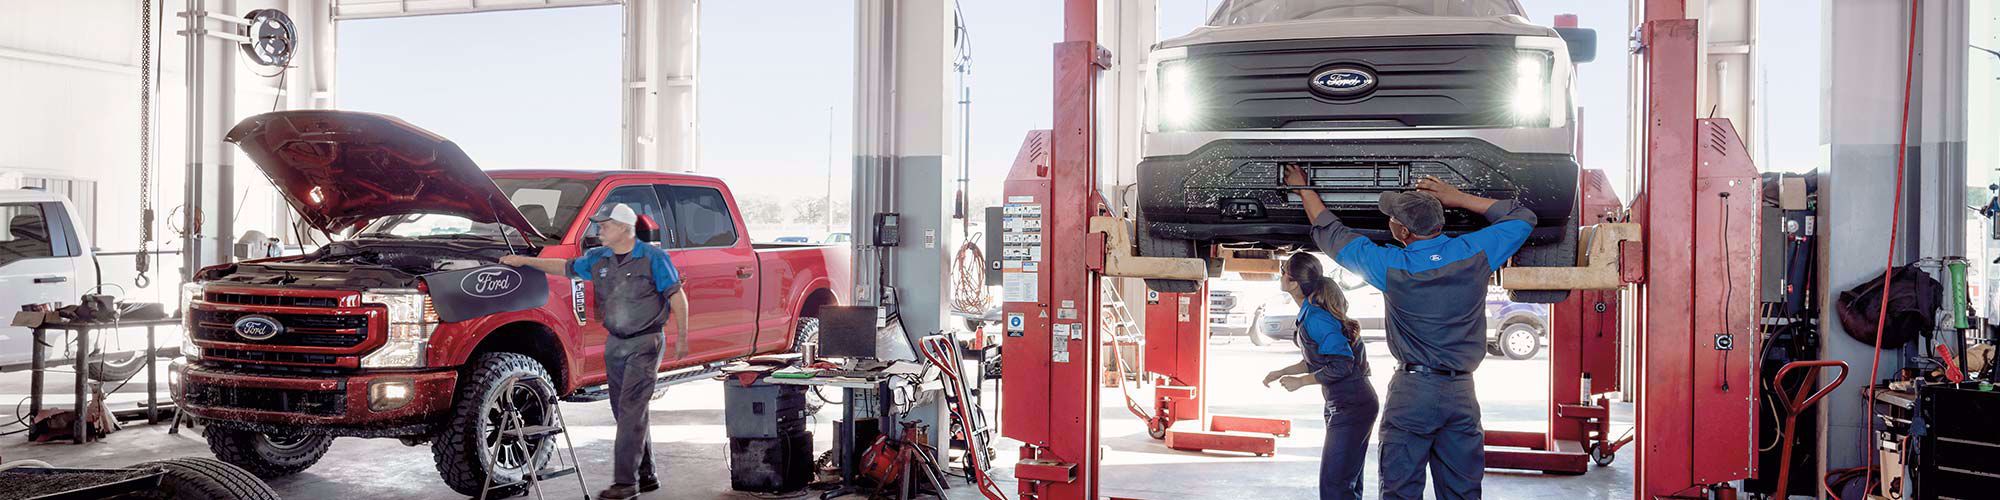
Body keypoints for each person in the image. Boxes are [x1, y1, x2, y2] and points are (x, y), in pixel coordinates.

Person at [1282, 164, 1536, 500]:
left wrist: (1302, 188)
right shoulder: (1475, 252)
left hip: (1413, 391)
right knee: (1462, 492)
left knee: (1400, 490)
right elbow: (1523, 217)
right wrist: (1457, 198)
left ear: (1402, 232)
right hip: (1461, 391)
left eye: (1392, 218)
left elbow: (1330, 231)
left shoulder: (1390, 266)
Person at [500, 203, 690, 500]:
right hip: (615, 342)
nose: (599, 230)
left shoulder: (653, 258)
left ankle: (626, 483)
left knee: (630, 409)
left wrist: (683, 338)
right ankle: (647, 472)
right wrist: (523, 261)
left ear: (625, 229)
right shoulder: (599, 258)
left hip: (646, 342)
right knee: (626, 410)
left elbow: (677, 297)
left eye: (605, 226)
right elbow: (563, 268)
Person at [1262, 254, 1378, 500]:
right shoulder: (1311, 313)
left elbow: (1342, 365)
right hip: (1344, 402)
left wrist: (1301, 382)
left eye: (1283, 270)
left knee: (1336, 486)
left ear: (1294, 283)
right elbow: (1320, 358)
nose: (1280, 274)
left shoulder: (1316, 317)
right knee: (1345, 482)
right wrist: (1283, 372)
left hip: (1352, 404)